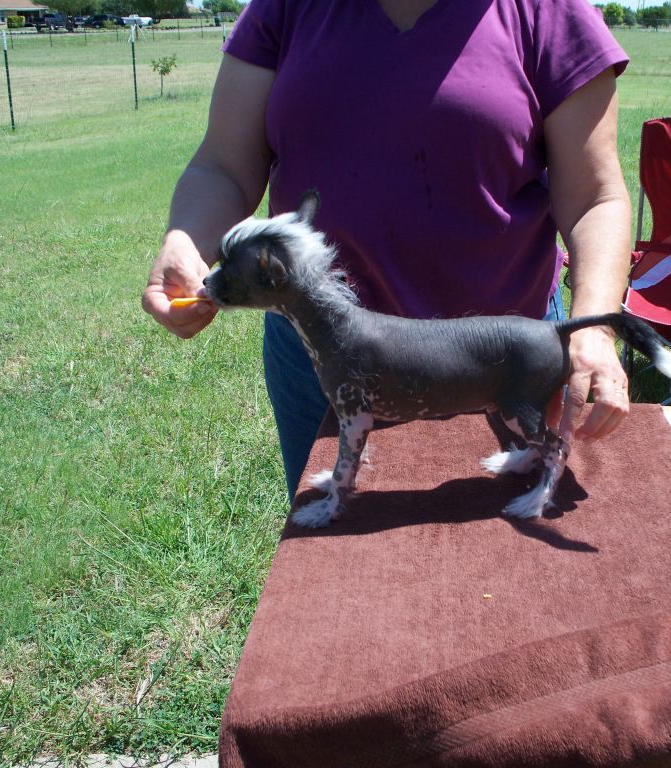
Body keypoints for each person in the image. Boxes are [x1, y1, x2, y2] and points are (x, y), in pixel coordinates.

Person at [142, 0, 633, 500]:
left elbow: (596, 197)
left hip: (505, 356)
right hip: (319, 352)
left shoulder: (548, 10)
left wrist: (592, 325)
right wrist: (185, 237)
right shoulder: (285, 7)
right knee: (332, 560)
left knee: (514, 567)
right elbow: (226, 164)